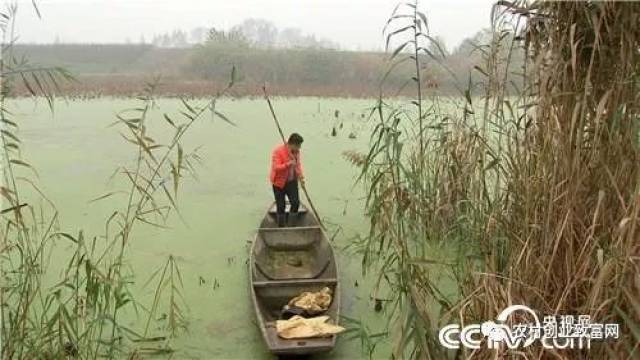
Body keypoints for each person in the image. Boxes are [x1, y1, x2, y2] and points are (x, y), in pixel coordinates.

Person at [270, 133, 305, 227]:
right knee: (281, 206)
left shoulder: (296, 152)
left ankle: (291, 225)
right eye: (298, 146)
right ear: (292, 144)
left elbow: (298, 165)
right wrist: (288, 164)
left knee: (295, 203)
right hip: (279, 183)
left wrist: (301, 177)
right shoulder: (278, 151)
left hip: (292, 182)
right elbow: (276, 167)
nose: (299, 148)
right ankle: (281, 227)